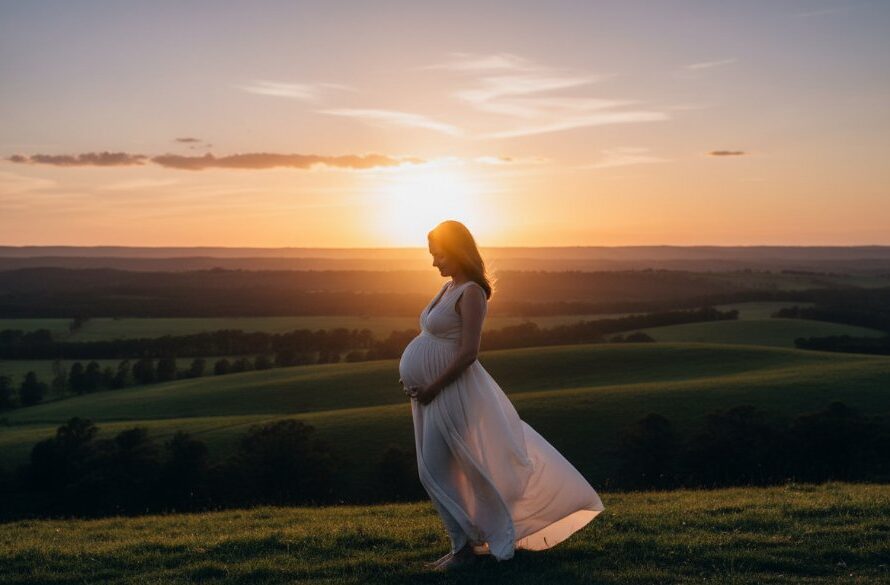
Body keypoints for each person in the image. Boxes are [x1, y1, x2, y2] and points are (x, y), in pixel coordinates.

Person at [398, 220, 604, 572]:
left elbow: (468, 352)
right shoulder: (449, 288)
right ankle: (463, 546)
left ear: (459, 251)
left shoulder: (472, 292)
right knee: (440, 469)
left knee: (437, 470)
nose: (434, 262)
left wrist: (432, 386)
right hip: (431, 395)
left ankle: (465, 550)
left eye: (439, 254)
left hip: (452, 392)